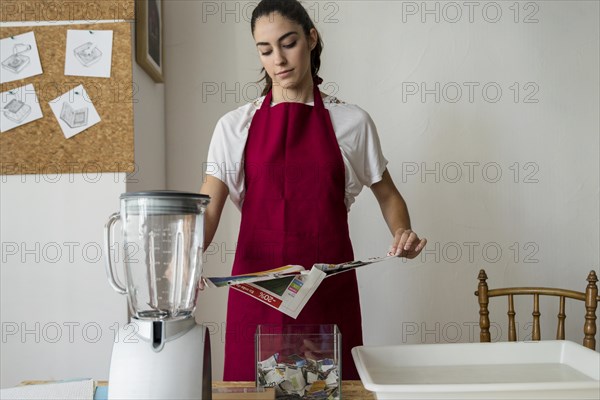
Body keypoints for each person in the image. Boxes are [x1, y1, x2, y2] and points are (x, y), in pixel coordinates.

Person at [200, 0, 427, 381]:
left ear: (311, 38)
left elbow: (388, 194)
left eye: (288, 43)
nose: (278, 59)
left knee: (328, 390)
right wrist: (183, 262)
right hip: (258, 297)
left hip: (325, 296)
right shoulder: (233, 126)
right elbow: (209, 206)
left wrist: (402, 232)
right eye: (265, 49)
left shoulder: (352, 122)